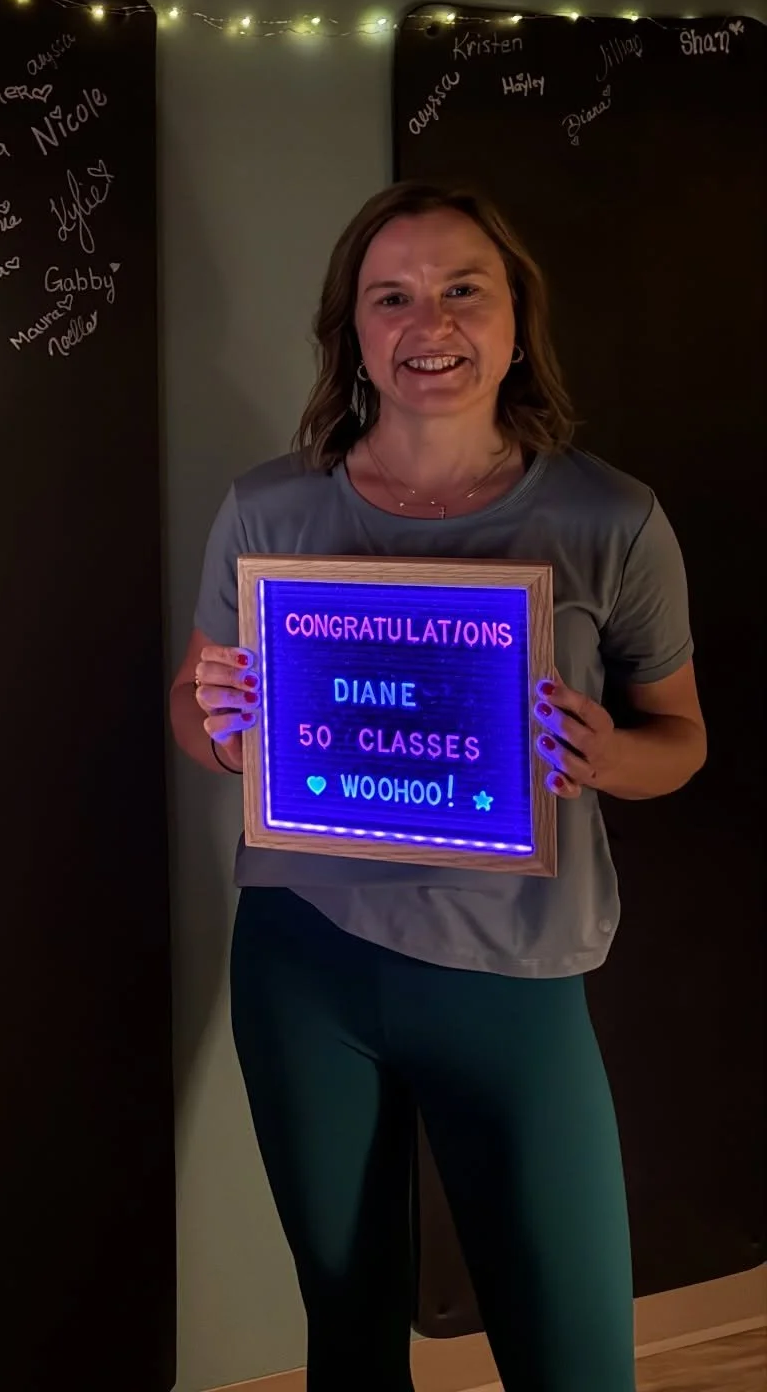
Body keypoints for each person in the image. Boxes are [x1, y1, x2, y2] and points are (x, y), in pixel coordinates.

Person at [170, 181, 706, 1392]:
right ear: (353, 333)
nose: (432, 323)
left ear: (516, 320)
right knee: (348, 1337)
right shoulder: (270, 509)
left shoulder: (610, 519)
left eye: (465, 289)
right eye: (393, 297)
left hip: (514, 978)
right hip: (304, 962)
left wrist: (605, 755)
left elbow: (682, 739)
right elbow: (196, 713)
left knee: (575, 1360)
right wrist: (221, 728)